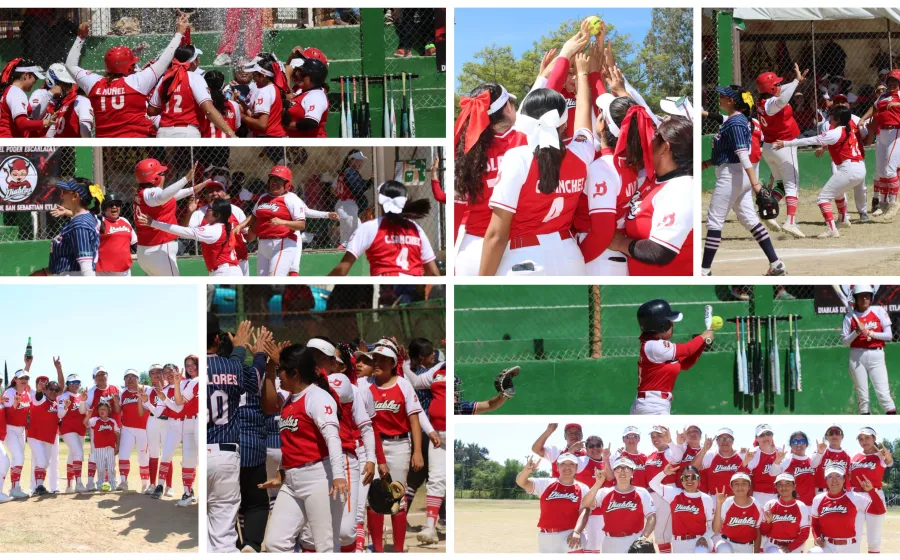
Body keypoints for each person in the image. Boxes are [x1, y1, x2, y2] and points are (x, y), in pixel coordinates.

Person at [480, 57, 594, 276]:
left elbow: (496, 235)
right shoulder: (582, 153)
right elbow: (583, 117)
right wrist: (582, 74)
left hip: (525, 258)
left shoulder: (517, 157)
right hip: (570, 257)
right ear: (564, 121)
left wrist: (482, 280)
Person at [258, 344, 348, 553]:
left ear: (295, 372)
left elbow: (333, 438)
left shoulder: (317, 397)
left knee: (324, 545)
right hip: (292, 481)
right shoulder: (289, 400)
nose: (278, 375)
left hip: (319, 477)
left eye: (281, 369)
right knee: (275, 543)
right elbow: (290, 442)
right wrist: (282, 473)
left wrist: (339, 476)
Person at [701, 85, 786, 276]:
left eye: (723, 96)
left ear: (731, 101)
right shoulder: (736, 120)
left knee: (714, 221)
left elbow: (742, 154)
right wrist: (707, 163)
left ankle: (704, 271)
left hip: (733, 175)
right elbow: (730, 149)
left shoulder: (737, 122)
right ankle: (776, 264)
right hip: (736, 175)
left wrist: (756, 184)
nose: (720, 98)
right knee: (749, 219)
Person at [66, 16, 188, 137]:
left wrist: (80, 37)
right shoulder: (137, 82)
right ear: (128, 67)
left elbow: (70, 65)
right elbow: (163, 61)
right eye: (133, 64)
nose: (134, 66)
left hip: (106, 147)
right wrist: (179, 34)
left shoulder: (94, 83)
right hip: (137, 141)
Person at [453, 82, 525, 275]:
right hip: (515, 248)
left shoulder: (465, 150)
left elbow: (456, 209)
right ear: (508, 108)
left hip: (471, 248)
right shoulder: (525, 140)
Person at [609, 115, 694, 276]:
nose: (648, 140)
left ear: (665, 149)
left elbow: (660, 251)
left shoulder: (681, 189)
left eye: (654, 137)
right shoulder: (654, 179)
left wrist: (620, 243)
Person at [206, 317, 264, 553]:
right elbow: (256, 381)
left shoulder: (190, 374)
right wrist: (258, 354)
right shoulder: (230, 366)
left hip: (201, 451)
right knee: (223, 535)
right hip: (225, 454)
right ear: (217, 339)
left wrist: (238, 350)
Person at [364, 345, 425, 552]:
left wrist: (417, 451)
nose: (377, 363)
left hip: (399, 444)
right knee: (373, 497)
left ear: (393, 364)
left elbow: (414, 420)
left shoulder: (403, 385)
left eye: (383, 360)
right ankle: (378, 550)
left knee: (396, 495)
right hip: (371, 447)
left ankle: (398, 550)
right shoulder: (366, 384)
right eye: (375, 359)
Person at [774, 106, 866, 238]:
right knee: (838, 192)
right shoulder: (850, 129)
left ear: (838, 119)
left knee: (822, 198)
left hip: (849, 168)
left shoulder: (836, 132)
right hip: (860, 168)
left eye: (833, 115)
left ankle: (832, 229)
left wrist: (786, 143)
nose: (830, 117)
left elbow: (811, 140)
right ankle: (843, 219)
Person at [330, 181, 439, 276]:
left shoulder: (370, 227)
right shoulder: (416, 229)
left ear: (380, 202)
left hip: (386, 286)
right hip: (412, 289)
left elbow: (342, 270)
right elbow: (433, 273)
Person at [632, 299, 712, 414]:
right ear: (661, 325)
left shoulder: (658, 348)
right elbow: (688, 349)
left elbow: (685, 364)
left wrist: (703, 342)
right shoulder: (654, 346)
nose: (673, 324)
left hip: (652, 404)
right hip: (652, 406)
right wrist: (703, 336)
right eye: (669, 322)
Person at [756, 64, 809, 236]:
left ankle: (769, 211)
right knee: (792, 184)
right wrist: (794, 82)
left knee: (780, 184)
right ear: (770, 89)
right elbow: (782, 99)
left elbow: (780, 91)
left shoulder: (762, 101)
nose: (779, 86)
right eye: (776, 84)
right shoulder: (772, 104)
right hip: (784, 146)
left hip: (770, 148)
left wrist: (797, 82)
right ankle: (791, 222)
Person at [133, 160, 206, 276]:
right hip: (159, 251)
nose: (164, 176)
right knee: (174, 289)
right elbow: (162, 196)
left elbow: (168, 197)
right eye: (161, 174)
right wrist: (186, 179)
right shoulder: (151, 193)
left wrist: (192, 189)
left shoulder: (144, 194)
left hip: (148, 252)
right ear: (154, 178)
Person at [147, 44, 236, 138]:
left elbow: (152, 110)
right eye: (197, 58)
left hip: (164, 132)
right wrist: (231, 133)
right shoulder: (194, 77)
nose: (199, 60)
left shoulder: (165, 78)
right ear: (194, 62)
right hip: (187, 132)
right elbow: (208, 110)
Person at [137, 198, 241, 276]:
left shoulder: (214, 229)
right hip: (225, 271)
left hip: (225, 272)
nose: (206, 210)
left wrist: (154, 223)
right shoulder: (218, 227)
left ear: (217, 215)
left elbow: (184, 231)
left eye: (209, 208)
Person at [574, 456, 656, 553]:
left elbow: (651, 517)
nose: (622, 471)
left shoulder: (642, 492)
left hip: (635, 540)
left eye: (626, 468)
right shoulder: (604, 492)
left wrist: (643, 537)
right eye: (618, 468)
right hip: (610, 542)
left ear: (633, 472)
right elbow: (585, 503)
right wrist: (598, 483)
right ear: (614, 472)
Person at [516, 453, 595, 553]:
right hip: (546, 536)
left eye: (571, 464)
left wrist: (577, 531)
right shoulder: (546, 483)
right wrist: (526, 472)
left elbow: (585, 511)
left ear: (576, 468)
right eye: (563, 464)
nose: (567, 467)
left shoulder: (583, 488)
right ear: (557, 467)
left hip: (570, 535)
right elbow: (521, 482)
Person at [239, 165, 306, 276]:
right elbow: (254, 216)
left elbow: (301, 224)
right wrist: (240, 226)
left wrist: (283, 222)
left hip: (282, 243)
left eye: (279, 180)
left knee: (275, 278)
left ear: (287, 184)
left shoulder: (292, 199)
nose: (274, 183)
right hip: (263, 244)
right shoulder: (263, 197)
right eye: (273, 180)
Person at [841, 285, 897, 415]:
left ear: (871, 297)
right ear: (855, 298)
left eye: (867, 295)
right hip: (857, 357)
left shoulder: (878, 311)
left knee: (884, 395)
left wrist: (871, 333)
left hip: (876, 355)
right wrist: (856, 332)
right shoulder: (850, 316)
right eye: (861, 296)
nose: (864, 298)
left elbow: (889, 335)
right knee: (863, 398)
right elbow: (845, 342)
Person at [809, 465, 885, 553]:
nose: (834, 480)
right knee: (812, 553)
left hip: (849, 547)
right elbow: (815, 523)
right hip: (827, 546)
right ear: (826, 480)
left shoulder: (853, 497)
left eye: (838, 476)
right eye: (830, 476)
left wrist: (871, 491)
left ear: (844, 479)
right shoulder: (818, 499)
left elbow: (879, 510)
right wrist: (817, 537)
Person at [38, 178, 101, 277]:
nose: (61, 195)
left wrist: (90, 290)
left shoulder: (80, 225)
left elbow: (86, 267)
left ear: (75, 196)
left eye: (64, 192)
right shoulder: (89, 217)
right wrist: (69, 213)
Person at [648, 463, 714, 553]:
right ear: (681, 480)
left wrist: (705, 538)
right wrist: (664, 473)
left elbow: (712, 525)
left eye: (693, 477)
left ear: (699, 479)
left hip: (700, 542)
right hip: (678, 544)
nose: (689, 480)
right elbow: (653, 484)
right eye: (685, 477)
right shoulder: (674, 493)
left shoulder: (706, 498)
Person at [849, 427, 894, 554]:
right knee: (854, 538)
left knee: (874, 541)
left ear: (874, 438)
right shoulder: (854, 456)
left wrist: (888, 456)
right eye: (861, 439)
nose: (864, 441)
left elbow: (889, 462)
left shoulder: (880, 455)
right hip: (856, 497)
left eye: (868, 438)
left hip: (874, 496)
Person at [643, 425, 686, 554]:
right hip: (653, 493)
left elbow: (678, 456)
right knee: (662, 531)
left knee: (661, 532)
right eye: (653, 436)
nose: (655, 439)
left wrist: (670, 442)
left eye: (659, 435)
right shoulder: (650, 455)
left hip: (666, 491)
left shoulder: (669, 452)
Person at [0, 58, 56, 137]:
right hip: (8, 143)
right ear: (26, 75)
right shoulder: (17, 93)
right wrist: (46, 122)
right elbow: (22, 123)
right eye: (35, 78)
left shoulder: (9, 90)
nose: (35, 81)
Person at [872, 69, 900, 218]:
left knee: (890, 170)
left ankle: (894, 203)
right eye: (890, 80)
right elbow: (874, 108)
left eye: (895, 81)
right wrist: (863, 119)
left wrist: (897, 105)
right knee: (882, 171)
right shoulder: (883, 95)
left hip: (896, 132)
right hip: (882, 133)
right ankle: (883, 203)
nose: (892, 83)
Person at [117, 370, 151, 492]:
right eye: (127, 377)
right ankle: (123, 481)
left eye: (133, 377)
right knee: (123, 454)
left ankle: (145, 484)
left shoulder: (147, 389)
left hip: (144, 429)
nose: (130, 379)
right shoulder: (122, 393)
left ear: (138, 379)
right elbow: (118, 410)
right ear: (124, 380)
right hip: (127, 428)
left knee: (143, 457)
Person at [712, 472, 762, 553]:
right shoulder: (727, 503)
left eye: (744, 483)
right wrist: (719, 504)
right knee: (725, 550)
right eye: (736, 484)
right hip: (726, 542)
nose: (740, 487)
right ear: (731, 487)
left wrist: (756, 553)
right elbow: (716, 529)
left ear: (749, 486)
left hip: (747, 546)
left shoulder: (756, 504)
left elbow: (757, 531)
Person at [27, 380, 62, 496]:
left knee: (46, 463)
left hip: (49, 438)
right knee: (41, 461)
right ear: (46, 390)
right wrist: (38, 391)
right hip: (35, 436)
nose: (53, 392)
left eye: (56, 390)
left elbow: (59, 421)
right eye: (51, 389)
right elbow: (37, 398)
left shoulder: (57, 405)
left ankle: (39, 486)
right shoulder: (41, 399)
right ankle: (39, 486)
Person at [759, 473, 809, 553]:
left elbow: (805, 533)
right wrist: (768, 522)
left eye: (788, 484)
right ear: (776, 487)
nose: (784, 487)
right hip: (773, 546)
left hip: (794, 546)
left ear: (794, 486)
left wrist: (790, 547)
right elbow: (763, 531)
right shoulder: (770, 504)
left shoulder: (801, 506)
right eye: (780, 484)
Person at [241, 53, 289, 138]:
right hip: (274, 137)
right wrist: (244, 105)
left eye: (255, 75)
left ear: (263, 76)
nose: (254, 80)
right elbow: (256, 116)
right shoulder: (274, 88)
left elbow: (262, 124)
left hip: (267, 138)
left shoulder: (264, 92)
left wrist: (241, 116)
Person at [42, 63, 92, 138]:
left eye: (69, 84)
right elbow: (85, 130)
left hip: (56, 147)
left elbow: (49, 135)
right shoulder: (81, 101)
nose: (67, 88)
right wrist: (87, 148)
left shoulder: (66, 102)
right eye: (64, 84)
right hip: (76, 148)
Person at [692, 428, 747, 497]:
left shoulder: (742, 455)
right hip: (715, 498)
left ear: (733, 441)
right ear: (717, 441)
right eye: (721, 439)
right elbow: (693, 468)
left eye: (728, 439)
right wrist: (704, 450)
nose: (725, 441)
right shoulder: (711, 455)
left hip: (736, 498)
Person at [56, 370, 87, 493]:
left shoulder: (81, 396)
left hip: (81, 429)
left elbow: (82, 412)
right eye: (72, 382)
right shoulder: (64, 397)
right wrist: (65, 407)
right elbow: (59, 414)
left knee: (73, 455)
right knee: (78, 453)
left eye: (77, 382)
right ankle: (79, 483)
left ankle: (69, 485)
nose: (75, 384)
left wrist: (83, 401)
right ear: (68, 384)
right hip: (68, 429)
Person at [284, 56, 329, 138]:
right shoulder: (304, 92)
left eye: (303, 74)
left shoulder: (316, 95)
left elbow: (311, 122)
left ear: (313, 78)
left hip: (312, 146)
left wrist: (289, 125)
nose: (298, 75)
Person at [335, 150, 372, 247]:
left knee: (357, 234)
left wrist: (369, 182)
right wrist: (370, 182)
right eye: (358, 160)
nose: (361, 163)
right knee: (346, 241)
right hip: (347, 206)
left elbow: (359, 186)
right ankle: (339, 257)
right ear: (351, 160)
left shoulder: (347, 171)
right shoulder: (350, 171)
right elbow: (358, 188)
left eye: (361, 161)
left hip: (346, 205)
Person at [743, 424, 784, 506]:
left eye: (768, 434)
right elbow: (744, 476)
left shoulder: (780, 451)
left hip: (779, 495)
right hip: (759, 496)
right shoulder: (753, 453)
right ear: (756, 438)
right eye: (762, 435)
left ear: (772, 436)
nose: (766, 437)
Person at [96, 195, 137, 276]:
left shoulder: (124, 220)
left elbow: (134, 244)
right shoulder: (99, 221)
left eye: (117, 204)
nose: (114, 207)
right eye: (110, 204)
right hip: (105, 272)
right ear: (104, 208)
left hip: (125, 271)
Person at [83, 401, 119, 491]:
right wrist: (89, 414)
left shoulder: (112, 421)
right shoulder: (95, 420)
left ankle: (113, 484)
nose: (102, 411)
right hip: (99, 448)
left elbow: (117, 434)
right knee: (100, 467)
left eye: (104, 409)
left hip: (110, 448)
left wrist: (117, 446)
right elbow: (85, 423)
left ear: (109, 411)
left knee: (111, 467)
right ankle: (100, 484)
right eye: (100, 409)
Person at [811, 424, 851, 495]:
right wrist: (819, 452)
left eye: (837, 432)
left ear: (842, 436)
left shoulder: (847, 454)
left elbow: (849, 475)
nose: (834, 436)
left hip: (841, 492)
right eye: (831, 433)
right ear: (826, 437)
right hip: (822, 491)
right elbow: (813, 465)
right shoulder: (821, 451)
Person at [202, 70, 242, 138]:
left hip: (204, 145)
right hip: (225, 146)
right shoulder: (233, 105)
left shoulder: (201, 105)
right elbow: (236, 127)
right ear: (223, 85)